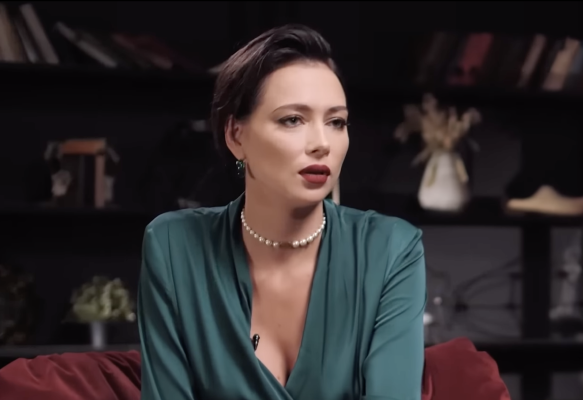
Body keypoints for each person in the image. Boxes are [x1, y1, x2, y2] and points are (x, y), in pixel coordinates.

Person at [138, 24, 427, 400]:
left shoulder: (392, 250)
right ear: (236, 135)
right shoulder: (173, 246)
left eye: (336, 122)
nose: (322, 144)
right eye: (293, 119)